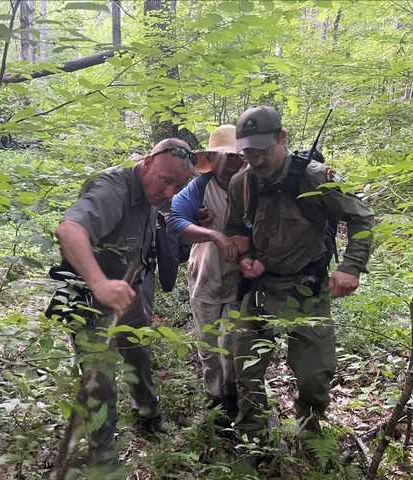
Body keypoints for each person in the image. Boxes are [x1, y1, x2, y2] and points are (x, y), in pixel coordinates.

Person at [225, 106, 374, 440]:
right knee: (244, 370)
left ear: (281, 138)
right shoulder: (241, 183)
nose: (255, 158)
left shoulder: (316, 177)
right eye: (247, 151)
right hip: (260, 291)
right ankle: (253, 439)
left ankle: (310, 433)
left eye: (261, 150)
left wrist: (351, 268)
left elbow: (361, 217)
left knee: (314, 376)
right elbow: (235, 227)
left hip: (307, 291)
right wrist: (245, 255)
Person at [49, 138, 195, 464]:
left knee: (138, 354)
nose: (170, 192)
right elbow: (69, 229)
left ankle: (148, 414)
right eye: (165, 180)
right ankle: (103, 455)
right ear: (147, 162)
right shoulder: (113, 189)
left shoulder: (151, 195)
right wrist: (100, 284)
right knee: (99, 378)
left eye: (179, 185)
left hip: (129, 294)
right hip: (90, 297)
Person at [167, 125, 248, 423]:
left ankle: (233, 396)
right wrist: (212, 234)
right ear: (212, 159)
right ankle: (215, 399)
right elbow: (174, 220)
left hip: (242, 278)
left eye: (236, 158)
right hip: (205, 273)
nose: (229, 165)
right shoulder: (200, 187)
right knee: (208, 343)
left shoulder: (253, 186)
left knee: (234, 342)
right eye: (223, 158)